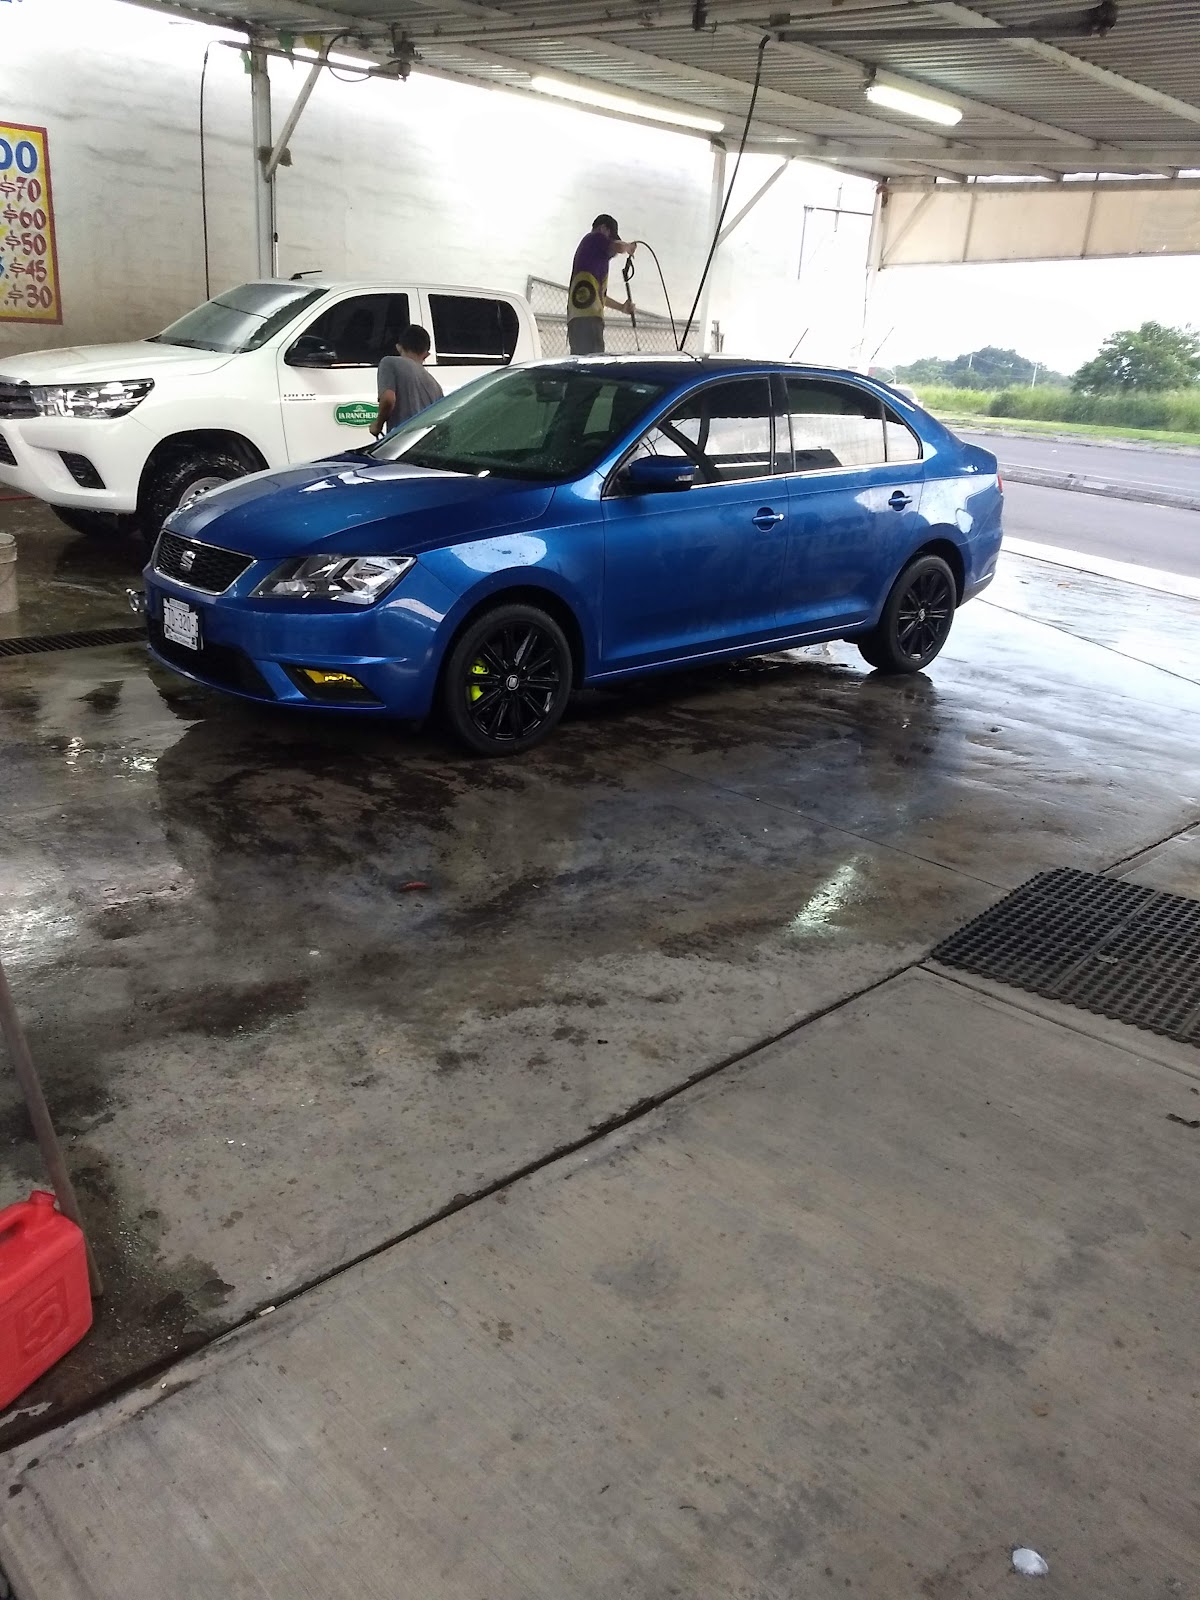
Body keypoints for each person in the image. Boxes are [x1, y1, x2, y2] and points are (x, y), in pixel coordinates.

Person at [566, 214, 636, 356]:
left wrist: (621, 307)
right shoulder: (594, 238)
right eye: (611, 237)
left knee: (586, 360)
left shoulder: (592, 258)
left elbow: (599, 296)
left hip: (582, 319)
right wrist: (628, 247)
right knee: (593, 361)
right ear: (603, 228)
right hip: (587, 319)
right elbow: (618, 247)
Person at [370, 325, 444, 438]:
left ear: (399, 347)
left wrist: (377, 425)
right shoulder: (436, 386)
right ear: (426, 354)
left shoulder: (389, 363)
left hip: (401, 442)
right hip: (425, 443)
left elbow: (388, 399)